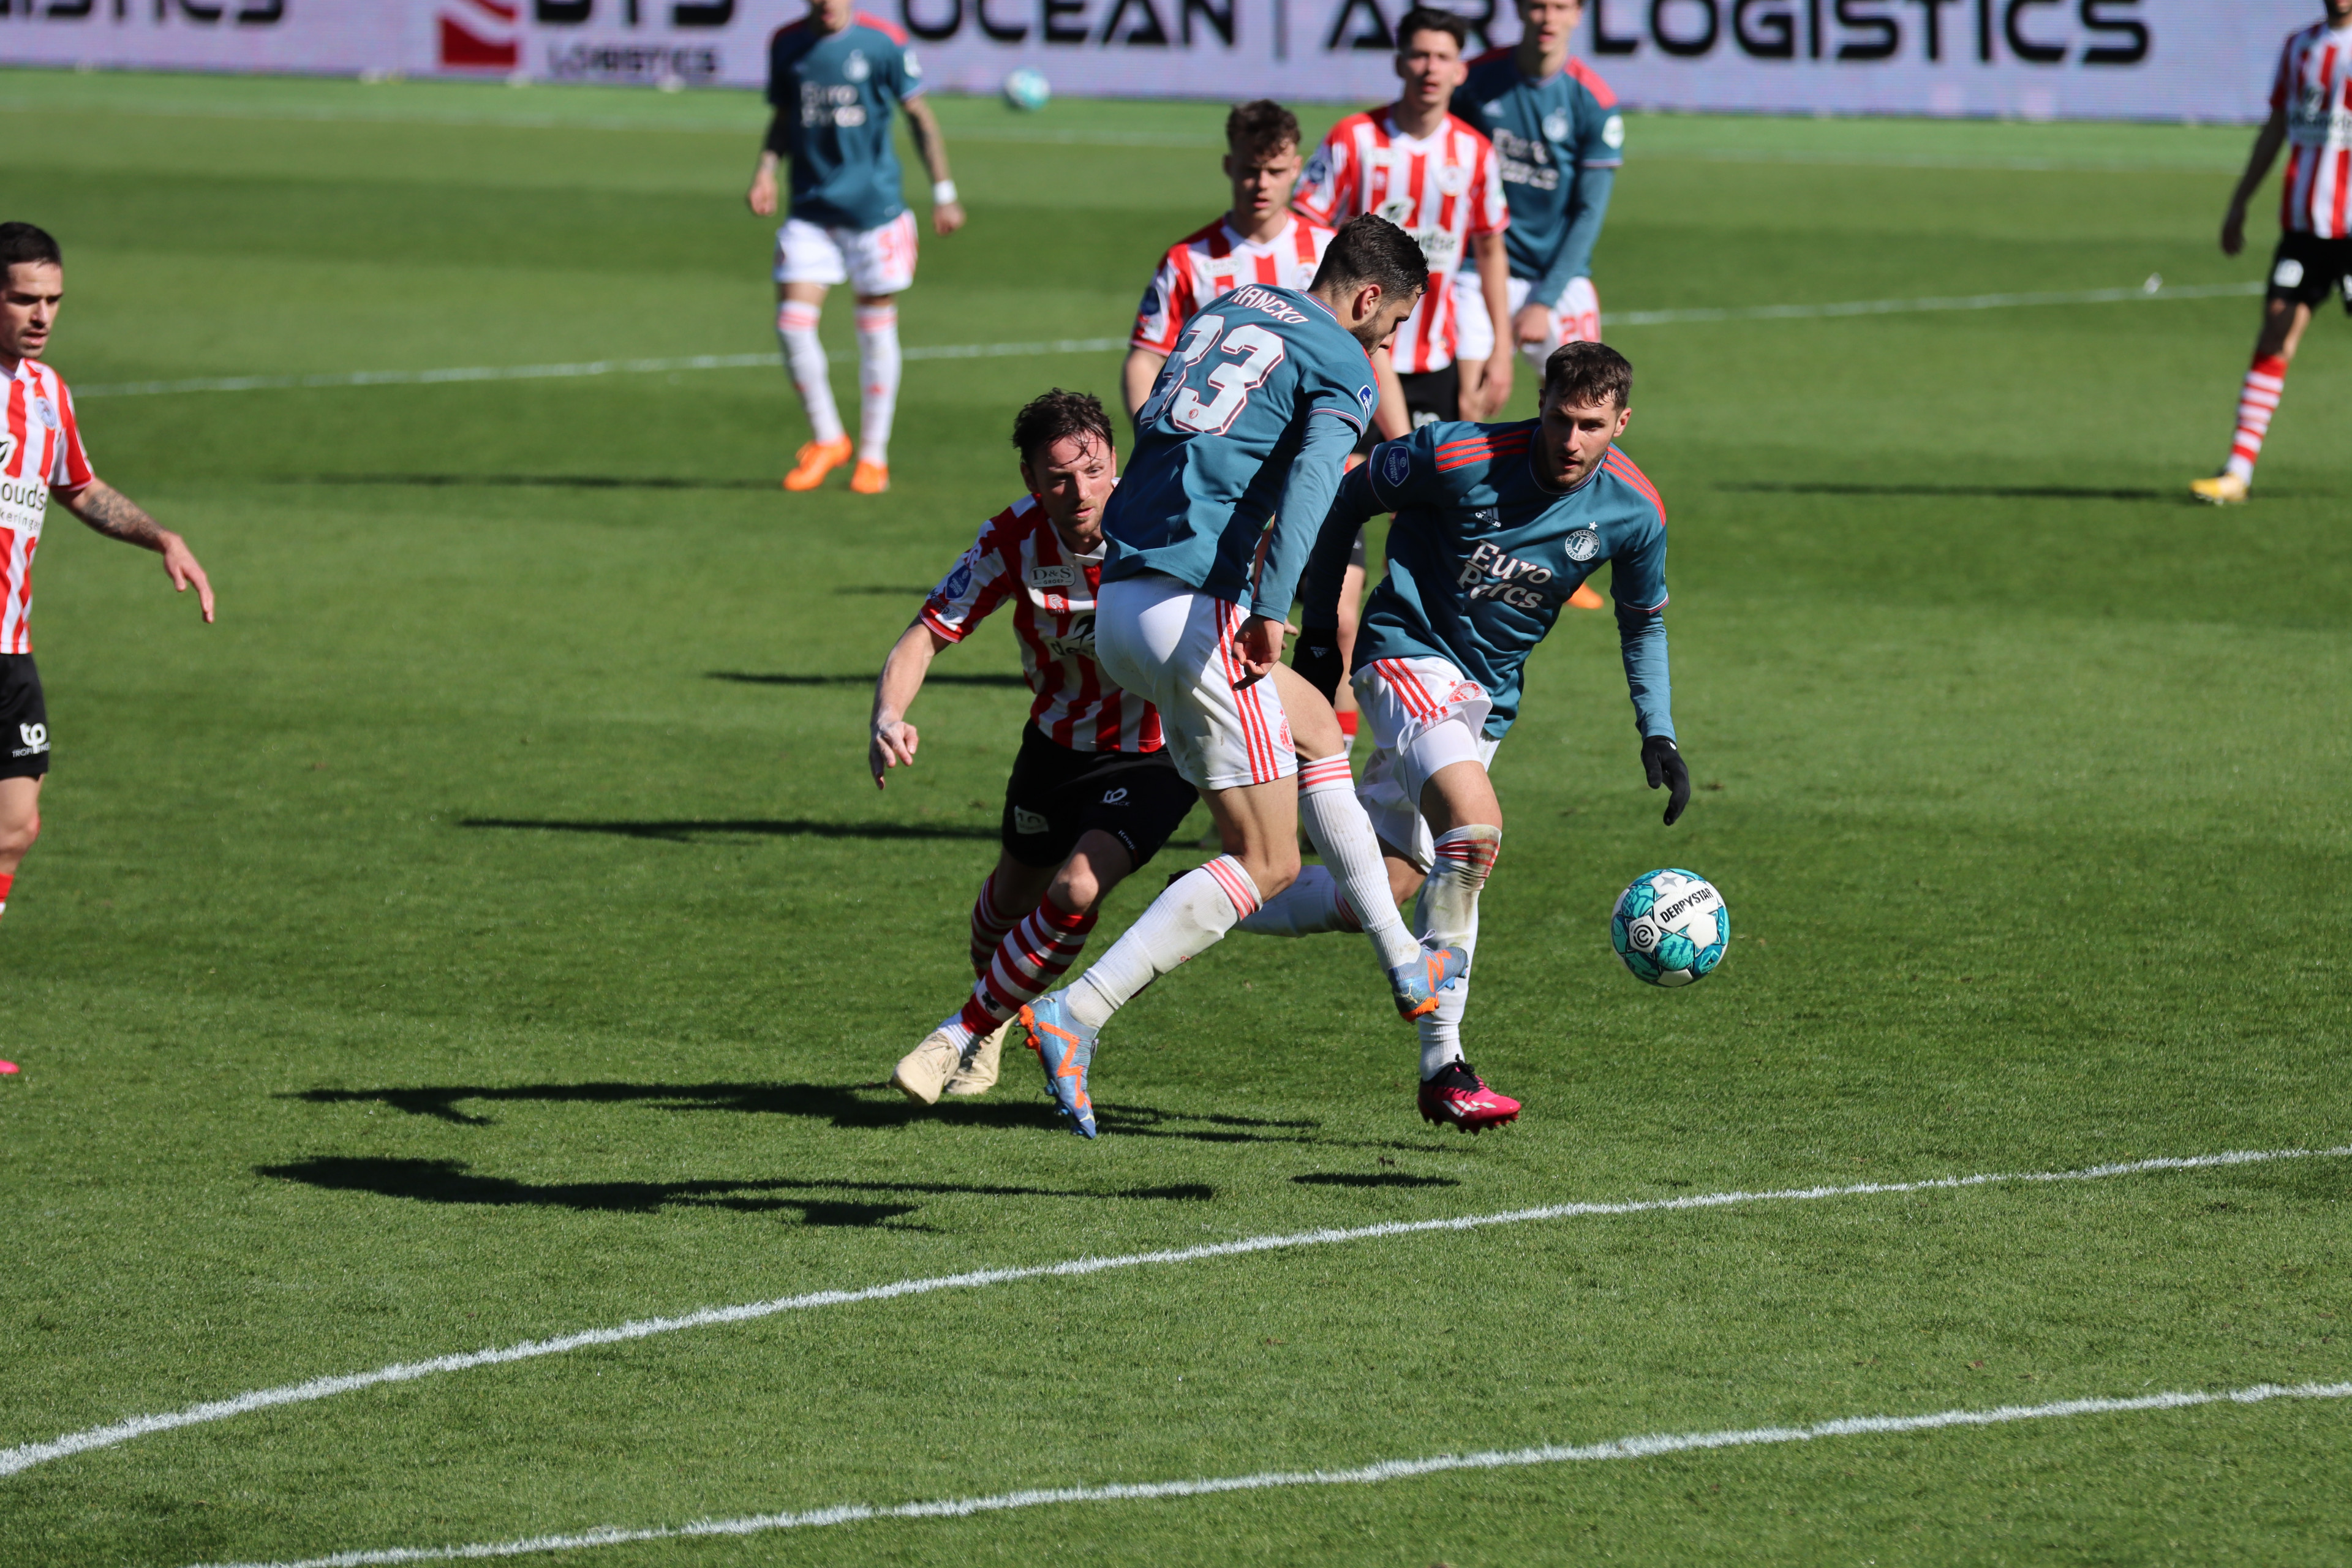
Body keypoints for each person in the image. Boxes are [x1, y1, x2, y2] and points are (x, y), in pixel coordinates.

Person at [1019, 215, 1466, 1139]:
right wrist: (1270, 603)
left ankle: (1404, 961)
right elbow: (1311, 489)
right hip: (1196, 609)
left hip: (1123, 601)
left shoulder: (1232, 304)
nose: (1389, 347)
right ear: (1368, 297)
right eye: (1393, 326)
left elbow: (1161, 426)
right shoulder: (1342, 363)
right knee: (1269, 861)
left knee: (1317, 730)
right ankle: (1077, 1012)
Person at [1260, 341, 1687, 1133]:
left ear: (1621, 423)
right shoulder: (1456, 455)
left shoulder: (1634, 511)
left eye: (1591, 426)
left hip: (1485, 702)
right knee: (1476, 828)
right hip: (1405, 654)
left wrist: (1656, 731)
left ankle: (1212, 896)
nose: (1571, 440)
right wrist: (1320, 632)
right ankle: (1445, 1066)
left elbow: (1642, 623)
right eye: (1559, 419)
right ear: (1540, 403)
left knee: (1378, 889)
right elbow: (1347, 499)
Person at [872, 390, 1199, 1104]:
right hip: (1056, 743)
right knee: (1003, 905)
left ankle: (962, 1030)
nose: (1080, 491)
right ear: (1030, 479)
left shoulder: (1165, 516)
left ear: (1115, 462)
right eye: (1059, 478)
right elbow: (926, 632)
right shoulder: (1010, 539)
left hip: (1157, 748)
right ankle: (990, 1022)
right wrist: (889, 715)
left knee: (1076, 887)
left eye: (1093, 470)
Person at [0, 222, 215, 932]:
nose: (42, 316)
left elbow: (80, 489)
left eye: (53, 300)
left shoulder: (46, 393)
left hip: (10, 646)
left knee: (16, 827)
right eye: (25, 299)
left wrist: (161, 536)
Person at [747, 0, 963, 497]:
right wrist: (765, 170)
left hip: (875, 214)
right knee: (792, 325)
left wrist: (944, 192)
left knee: (874, 329)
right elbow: (784, 116)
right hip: (811, 211)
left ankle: (873, 456)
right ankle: (828, 438)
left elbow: (919, 115)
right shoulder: (786, 43)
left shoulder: (883, 42)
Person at [1294, 7, 1515, 431]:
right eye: (1419, 55)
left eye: (1442, 57)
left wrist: (1501, 350)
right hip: (1351, 348)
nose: (1430, 68)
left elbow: (1491, 252)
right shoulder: (1353, 137)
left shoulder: (1476, 152)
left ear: (1460, 71)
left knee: (1427, 473)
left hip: (1433, 356)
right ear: (1399, 63)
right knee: (1343, 469)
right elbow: (1303, 230)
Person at [2191, 0, 2352, 505]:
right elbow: (2277, 125)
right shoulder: (2299, 47)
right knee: (2276, 327)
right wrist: (2240, 201)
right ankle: (2238, 472)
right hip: (2303, 226)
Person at [1455, 0, 1623, 379]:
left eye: (1561, 7)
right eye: (1538, 6)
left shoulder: (1593, 100)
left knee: (1585, 398)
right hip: (1478, 269)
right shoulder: (1473, 80)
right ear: (1518, 9)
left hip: (1558, 277)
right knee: (1472, 397)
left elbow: (1589, 212)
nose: (1548, 19)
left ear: (1578, 14)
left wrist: (1544, 302)